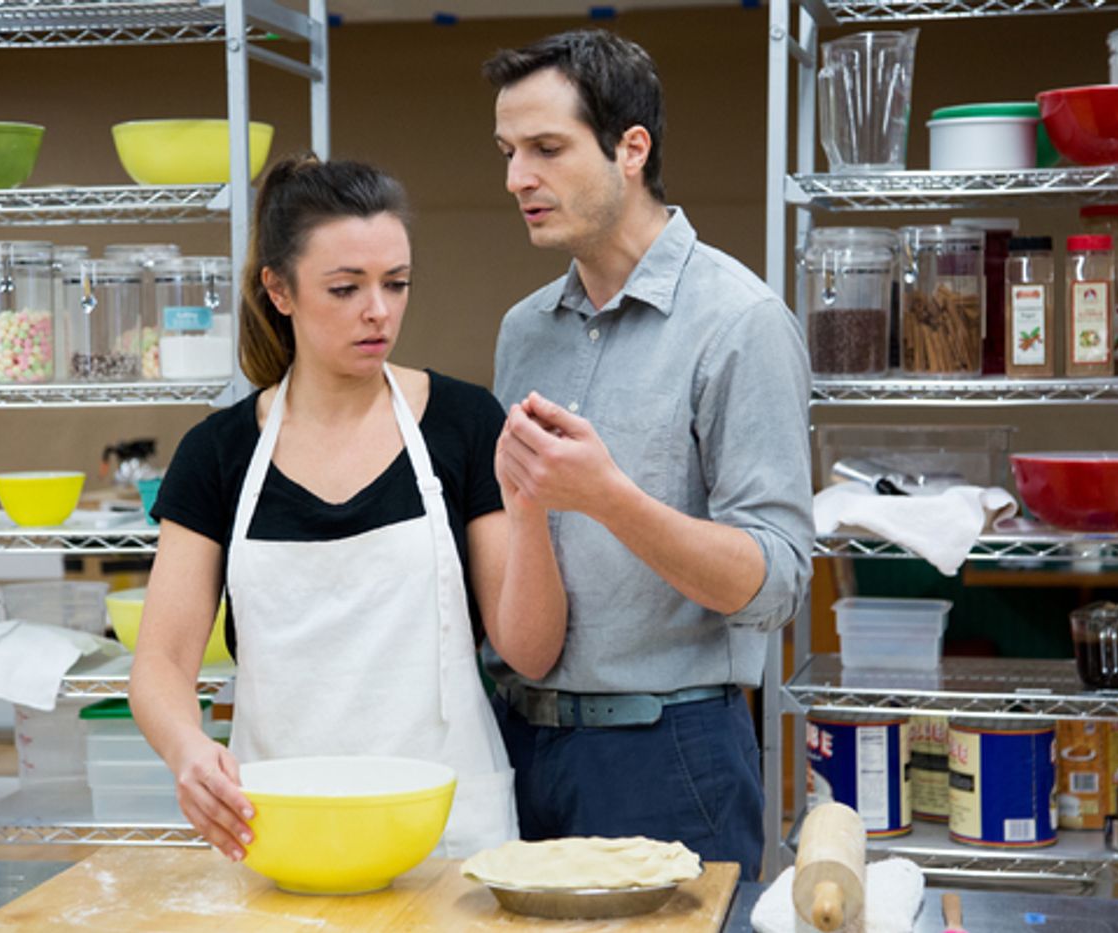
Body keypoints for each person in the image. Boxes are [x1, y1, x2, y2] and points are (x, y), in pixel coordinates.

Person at [128, 154, 567, 862]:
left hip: (445, 832)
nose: (378, 311)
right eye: (345, 288)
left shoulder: (464, 422)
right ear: (279, 289)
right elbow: (161, 663)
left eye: (396, 283)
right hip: (279, 826)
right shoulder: (218, 453)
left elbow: (531, 650)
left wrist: (533, 508)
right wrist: (188, 750)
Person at [481, 29, 814, 879]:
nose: (517, 178)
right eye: (509, 152)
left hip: (671, 757)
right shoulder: (523, 331)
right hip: (518, 744)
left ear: (632, 149)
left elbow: (776, 583)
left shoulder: (739, 323)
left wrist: (608, 495)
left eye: (546, 148)